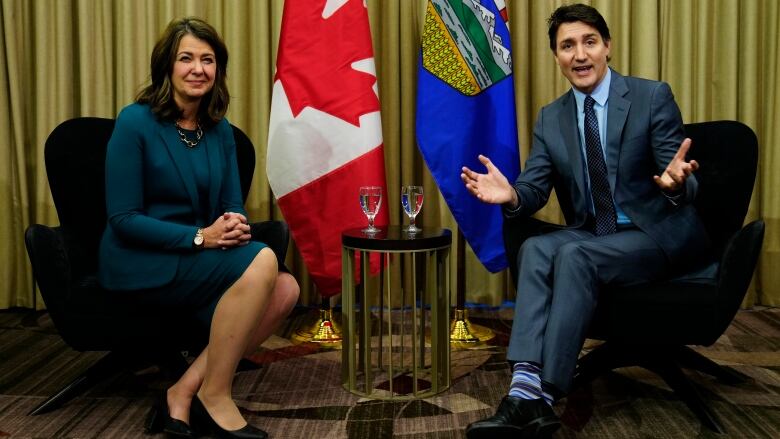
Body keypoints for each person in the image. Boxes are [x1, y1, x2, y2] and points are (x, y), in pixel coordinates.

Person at [461, 4, 710, 439]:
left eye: (589, 42)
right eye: (567, 45)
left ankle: (543, 395)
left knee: (574, 254)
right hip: (596, 235)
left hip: (655, 235)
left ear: (607, 46)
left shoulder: (651, 96)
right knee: (536, 247)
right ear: (556, 56)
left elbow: (683, 182)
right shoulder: (551, 117)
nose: (580, 55)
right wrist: (513, 194)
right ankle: (523, 389)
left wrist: (674, 184)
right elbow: (535, 188)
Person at [98, 17, 299, 439]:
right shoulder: (135, 122)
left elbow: (229, 203)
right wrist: (199, 237)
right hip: (142, 259)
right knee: (265, 259)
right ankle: (217, 395)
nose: (197, 69)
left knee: (286, 290)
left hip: (198, 255)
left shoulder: (219, 129)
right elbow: (123, 218)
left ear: (217, 70)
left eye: (207, 60)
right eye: (186, 58)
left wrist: (233, 223)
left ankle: (184, 390)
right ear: (167, 67)